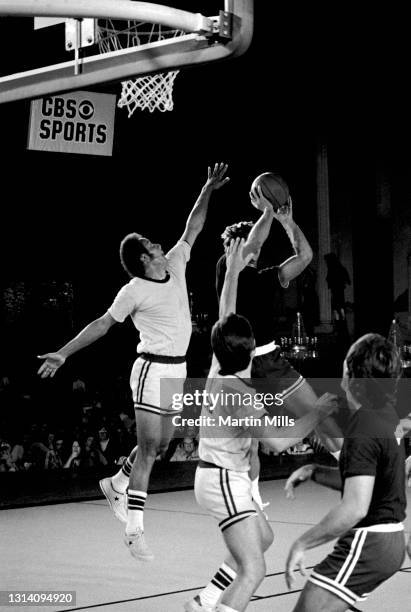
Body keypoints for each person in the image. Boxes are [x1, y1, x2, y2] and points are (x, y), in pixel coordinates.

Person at [37, 163, 230, 561]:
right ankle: (134, 530)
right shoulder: (134, 289)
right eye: (151, 244)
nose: (160, 244)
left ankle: (116, 482)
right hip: (151, 368)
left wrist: (207, 188)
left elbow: (192, 227)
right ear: (144, 259)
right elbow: (103, 324)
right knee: (147, 449)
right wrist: (64, 352)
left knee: (161, 445)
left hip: (177, 368)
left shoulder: (175, 263)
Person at [186, 239, 338, 612]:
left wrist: (233, 272)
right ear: (253, 350)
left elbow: (225, 315)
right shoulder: (239, 393)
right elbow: (279, 442)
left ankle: (203, 600)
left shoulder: (218, 368)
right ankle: (210, 607)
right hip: (222, 478)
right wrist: (316, 412)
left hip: (222, 475)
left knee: (264, 538)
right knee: (254, 570)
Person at [284, 333, 406, 611]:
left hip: (370, 542)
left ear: (352, 376)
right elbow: (364, 482)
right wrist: (315, 471)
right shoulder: (384, 415)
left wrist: (302, 544)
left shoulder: (363, 428)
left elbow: (355, 507)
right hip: (391, 542)